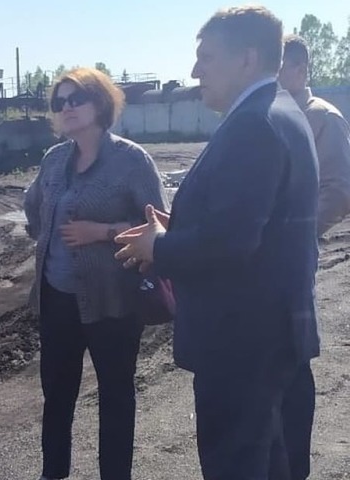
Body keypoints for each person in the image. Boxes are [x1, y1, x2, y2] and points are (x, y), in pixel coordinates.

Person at [114, 6, 320, 480]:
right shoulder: (281, 111)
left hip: (241, 347)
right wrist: (182, 225)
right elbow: (257, 223)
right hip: (271, 338)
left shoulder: (254, 123)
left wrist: (158, 248)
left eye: (206, 57)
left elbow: (231, 243)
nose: (195, 71)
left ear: (247, 58)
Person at [23, 67, 168, 480]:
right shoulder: (54, 160)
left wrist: (102, 232)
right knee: (57, 396)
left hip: (114, 301)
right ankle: (53, 473)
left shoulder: (131, 161)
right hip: (57, 298)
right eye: (59, 102)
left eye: (76, 99)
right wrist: (45, 235)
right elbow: (34, 207)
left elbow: (159, 227)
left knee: (116, 396)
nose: (66, 108)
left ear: (100, 103)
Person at [278, 34, 350, 480]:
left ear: (301, 70)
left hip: (291, 260)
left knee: (292, 357)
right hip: (262, 264)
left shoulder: (322, 117)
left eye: (278, 68)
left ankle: (295, 469)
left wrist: (293, 235)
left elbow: (339, 190)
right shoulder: (268, 116)